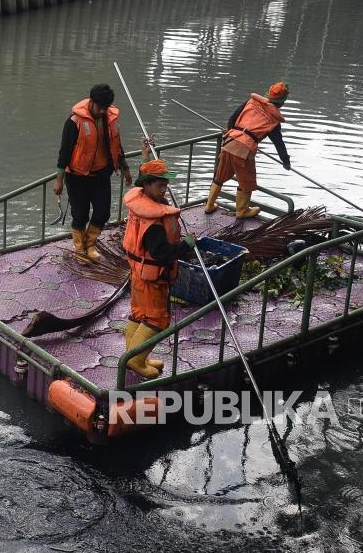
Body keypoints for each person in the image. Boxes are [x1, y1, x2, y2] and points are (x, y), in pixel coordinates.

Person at [122, 139, 196, 379]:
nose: (164, 189)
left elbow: (144, 177)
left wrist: (145, 158)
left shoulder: (141, 203)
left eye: (166, 184)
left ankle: (133, 355)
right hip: (152, 277)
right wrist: (186, 245)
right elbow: (161, 253)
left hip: (138, 272)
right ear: (147, 186)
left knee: (139, 314)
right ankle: (136, 360)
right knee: (156, 320)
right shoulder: (154, 222)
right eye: (159, 185)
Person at [54, 84, 133, 263]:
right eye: (99, 107)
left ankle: (90, 244)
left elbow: (117, 146)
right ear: (91, 102)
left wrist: (125, 167)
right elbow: (64, 152)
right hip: (77, 176)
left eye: (106, 108)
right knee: (80, 214)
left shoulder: (110, 119)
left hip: (101, 174)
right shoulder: (74, 121)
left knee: (103, 212)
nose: (102, 111)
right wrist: (59, 180)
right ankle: (80, 249)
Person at [204, 82, 291, 219]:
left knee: (219, 175)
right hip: (244, 150)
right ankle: (242, 210)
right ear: (283, 102)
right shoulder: (274, 119)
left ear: (268, 94)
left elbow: (233, 118)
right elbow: (279, 144)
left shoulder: (251, 102)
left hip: (229, 142)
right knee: (247, 181)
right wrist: (286, 162)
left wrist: (230, 130)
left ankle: (209, 205)